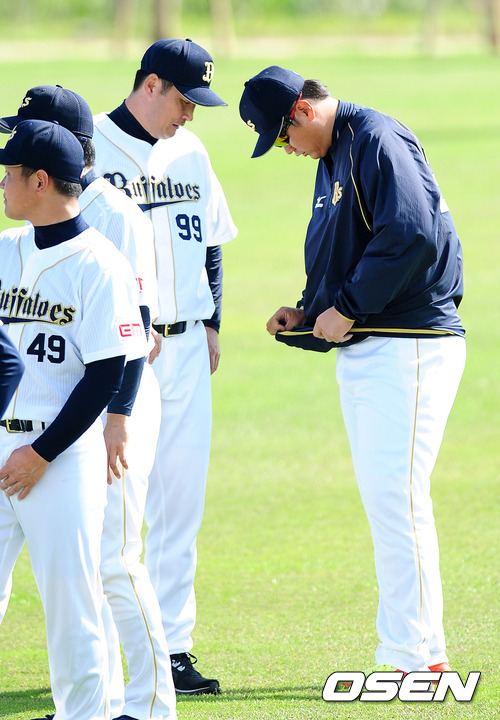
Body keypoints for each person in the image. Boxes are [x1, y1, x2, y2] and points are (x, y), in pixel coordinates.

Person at [239, 66, 466, 678]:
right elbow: (344, 250)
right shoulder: (335, 151)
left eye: (282, 136)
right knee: (388, 503)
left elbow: (412, 234)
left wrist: (349, 306)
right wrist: (309, 310)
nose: (286, 149)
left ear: (301, 111)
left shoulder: (375, 138)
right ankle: (418, 650)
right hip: (376, 346)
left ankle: (416, 657)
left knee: (398, 500)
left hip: (410, 341)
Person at [0, 85, 177, 720]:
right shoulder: (7, 248)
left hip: (66, 449)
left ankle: (101, 712)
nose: (2, 181)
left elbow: (111, 369)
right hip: (6, 442)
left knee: (80, 599)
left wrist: (47, 451)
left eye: (10, 171)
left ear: (41, 180)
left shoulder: (102, 257)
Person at [92, 38, 237, 695]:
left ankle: (172, 648)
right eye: (184, 99)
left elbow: (210, 241)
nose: (190, 113)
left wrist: (212, 322)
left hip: (185, 352)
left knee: (181, 507)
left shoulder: (192, 151)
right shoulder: (92, 148)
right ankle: (107, 653)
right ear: (150, 84)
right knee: (118, 508)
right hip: (124, 356)